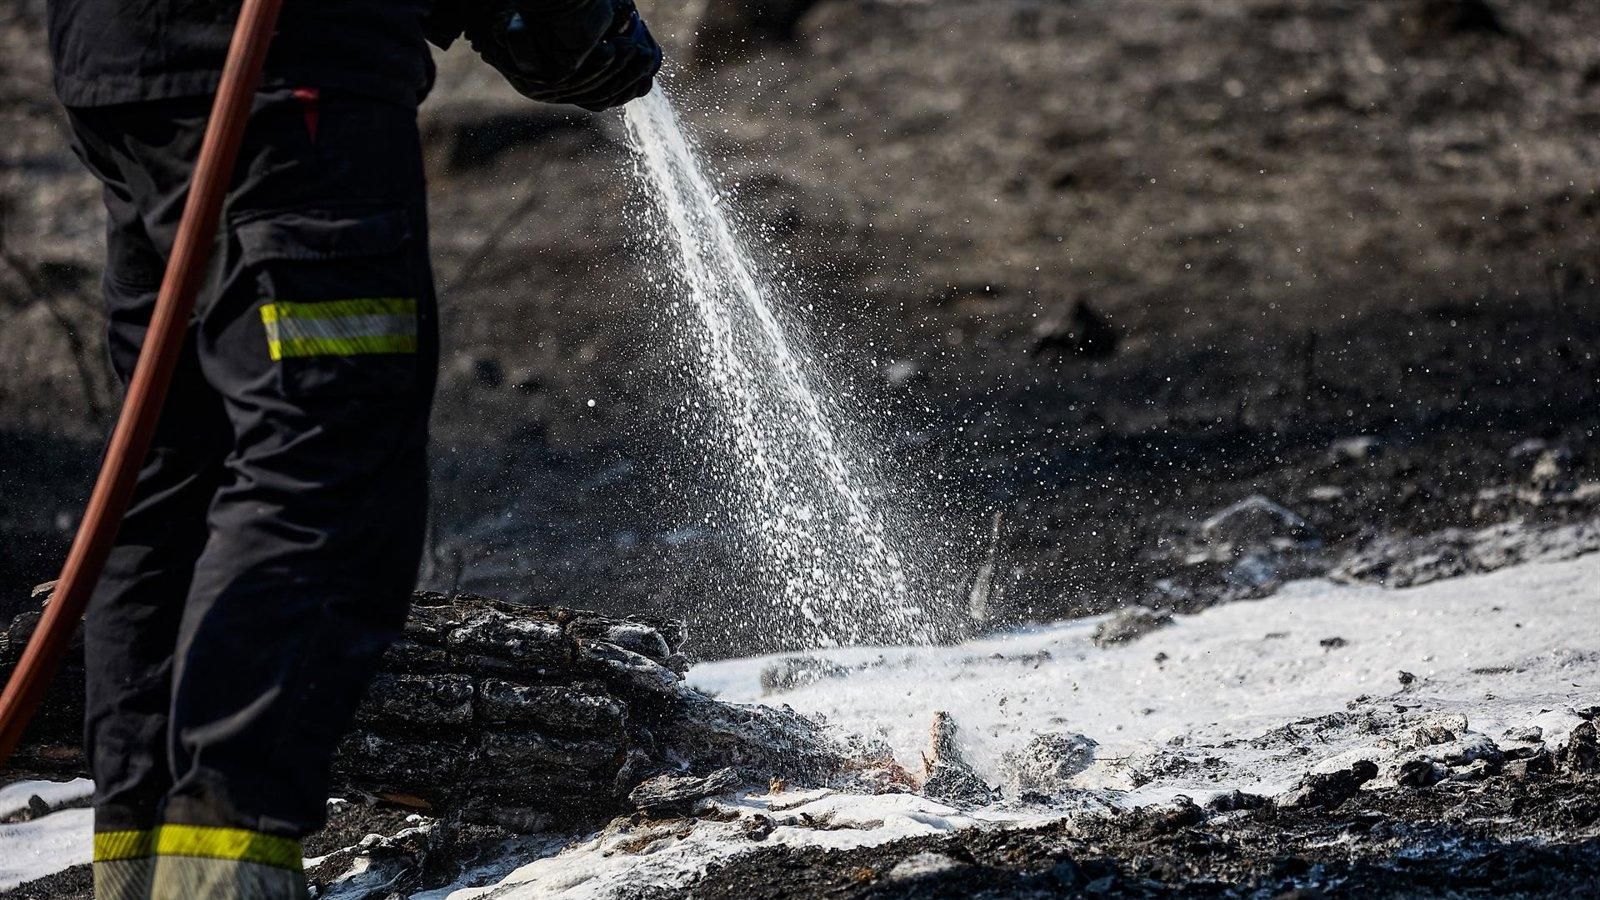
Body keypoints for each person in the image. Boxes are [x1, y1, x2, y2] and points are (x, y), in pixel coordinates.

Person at [45, 0, 661, 896]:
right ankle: (224, 865)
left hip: (120, 63)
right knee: (324, 459)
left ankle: (139, 870)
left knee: (177, 470)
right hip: (287, 72)